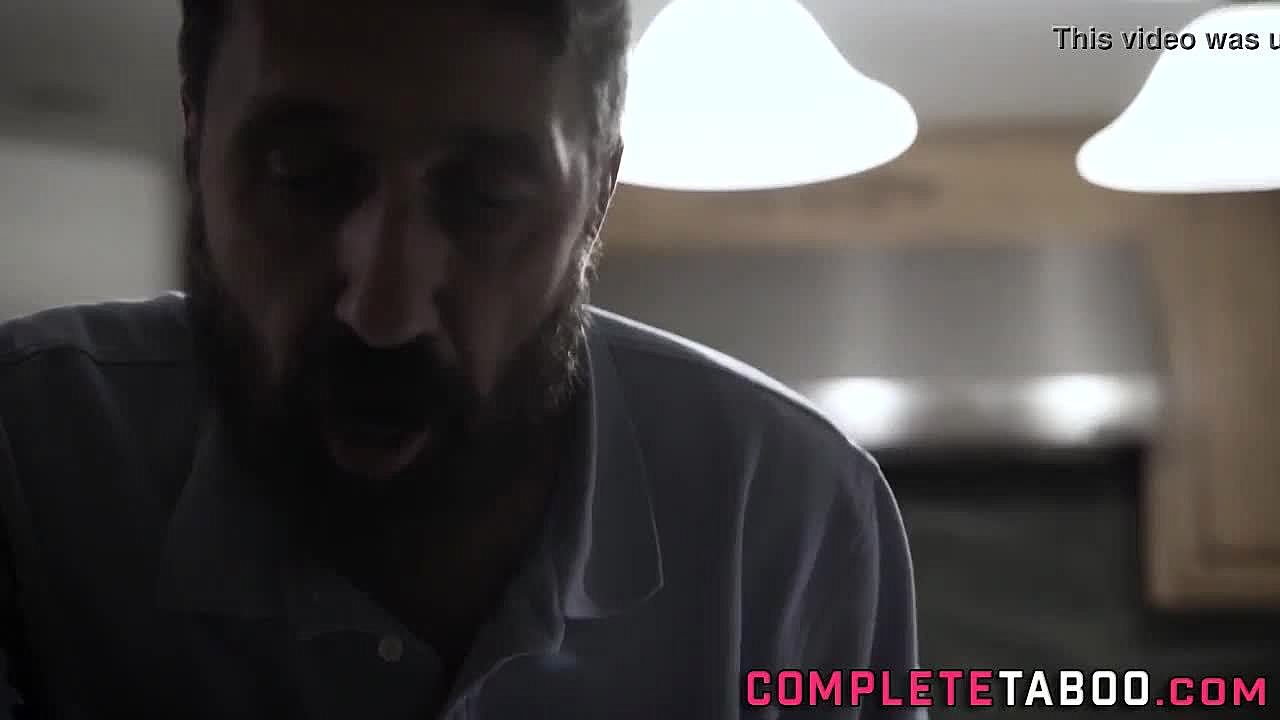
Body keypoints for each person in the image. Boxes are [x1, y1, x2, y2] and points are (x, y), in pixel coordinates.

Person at [0, 1, 923, 717]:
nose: (385, 312)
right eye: (304, 177)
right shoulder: (29, 457)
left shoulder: (793, 521)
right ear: (196, 142)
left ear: (598, 195)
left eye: (486, 198)